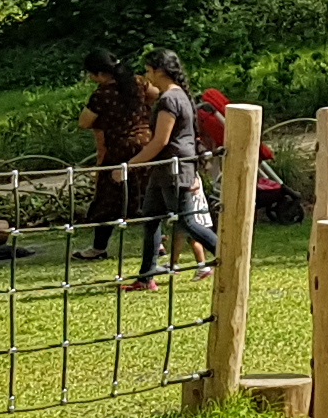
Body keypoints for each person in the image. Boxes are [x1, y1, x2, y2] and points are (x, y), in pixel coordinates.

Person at [131, 51, 223, 289]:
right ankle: (145, 278)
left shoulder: (169, 100)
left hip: (174, 169)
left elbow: (161, 140)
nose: (146, 75)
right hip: (164, 170)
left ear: (159, 71)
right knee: (151, 219)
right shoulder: (179, 96)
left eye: (148, 70)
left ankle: (229, 255)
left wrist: (130, 165)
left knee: (187, 222)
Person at [74, 50, 162, 258]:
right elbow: (156, 94)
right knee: (145, 196)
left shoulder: (102, 95)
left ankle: (98, 247)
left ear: (100, 74)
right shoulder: (138, 83)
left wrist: (107, 121)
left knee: (108, 198)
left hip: (120, 148)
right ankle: (157, 243)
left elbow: (84, 121)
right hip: (146, 144)